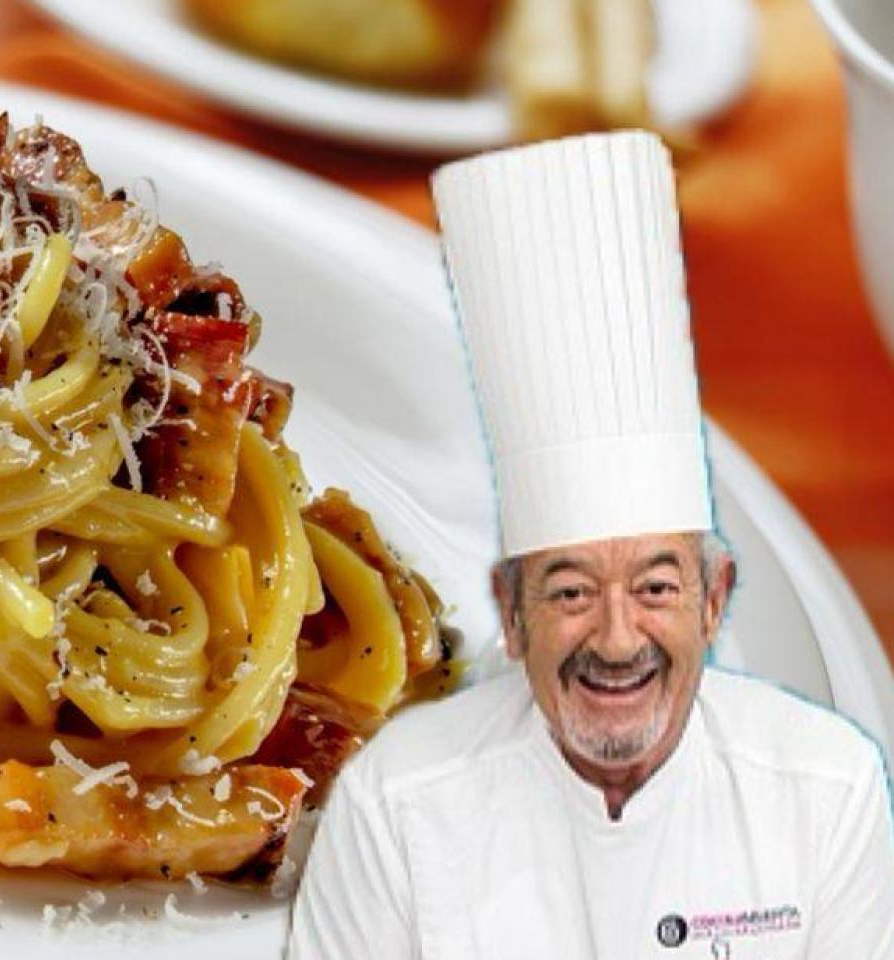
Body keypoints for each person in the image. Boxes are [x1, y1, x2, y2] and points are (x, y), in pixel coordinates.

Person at [287, 131, 894, 959]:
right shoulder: (392, 803)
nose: (615, 641)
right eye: (570, 590)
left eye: (656, 588)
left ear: (715, 600)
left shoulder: (828, 789)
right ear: (510, 609)